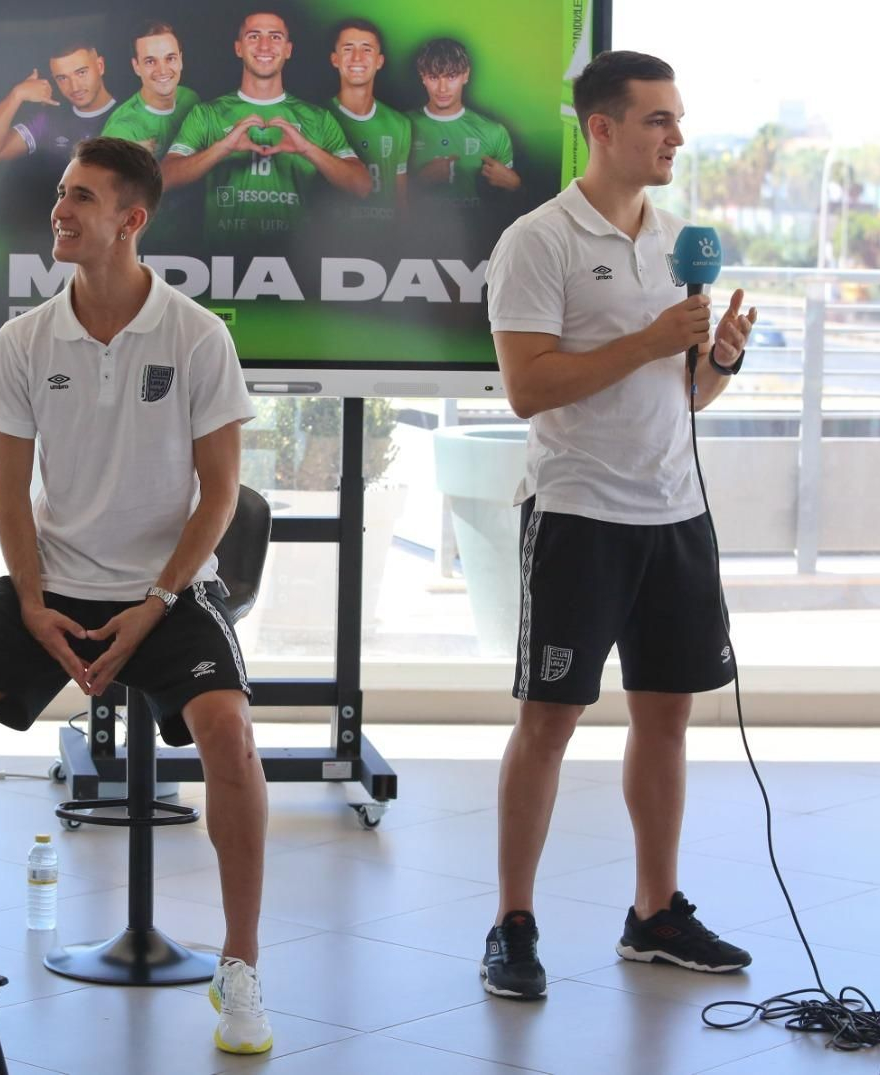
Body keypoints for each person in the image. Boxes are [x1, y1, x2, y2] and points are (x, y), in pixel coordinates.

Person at [0, 137, 275, 1055]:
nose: (60, 211)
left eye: (81, 198)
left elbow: (221, 497)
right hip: (50, 585)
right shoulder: (24, 339)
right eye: (59, 195)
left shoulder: (198, 336)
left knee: (232, 735)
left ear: (133, 219)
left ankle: (240, 965)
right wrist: (36, 604)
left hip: (165, 596)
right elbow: (8, 495)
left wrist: (159, 601)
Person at [481, 50, 758, 1001]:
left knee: (668, 717)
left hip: (675, 513)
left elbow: (684, 394)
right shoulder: (539, 240)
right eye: (657, 121)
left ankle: (655, 913)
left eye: (678, 120)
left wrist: (714, 361)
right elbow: (528, 387)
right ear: (601, 127)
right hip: (578, 515)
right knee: (549, 722)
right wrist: (648, 341)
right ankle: (513, 921)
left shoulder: (680, 240)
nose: (676, 137)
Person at [162, 11, 369, 241]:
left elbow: (362, 185)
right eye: (253, 36)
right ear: (238, 48)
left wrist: (307, 149)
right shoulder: (207, 114)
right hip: (224, 260)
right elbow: (164, 178)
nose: (264, 45)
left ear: (288, 50)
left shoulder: (317, 118)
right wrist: (222, 148)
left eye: (275, 37)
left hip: (293, 262)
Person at [409, 38, 520, 211]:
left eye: (451, 76)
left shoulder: (493, 132)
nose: (442, 88)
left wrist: (515, 185)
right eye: (433, 77)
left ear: (465, 75)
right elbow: (377, 198)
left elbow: (511, 209)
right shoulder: (401, 126)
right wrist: (420, 181)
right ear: (422, 77)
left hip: (476, 234)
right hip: (416, 233)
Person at [324, 18, 410, 224]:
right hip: (332, 241)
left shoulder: (399, 124)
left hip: (383, 239)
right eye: (348, 48)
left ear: (379, 61)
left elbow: (401, 201)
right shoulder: (318, 117)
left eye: (367, 49)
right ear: (335, 59)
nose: (357, 57)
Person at [0, 42, 117, 164]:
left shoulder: (130, 112)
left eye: (81, 73)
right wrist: (16, 96)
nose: (74, 87)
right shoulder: (49, 121)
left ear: (100, 66)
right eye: (62, 78)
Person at [102, 20, 200, 158]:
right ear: (136, 66)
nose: (162, 70)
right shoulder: (121, 129)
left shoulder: (190, 98)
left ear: (180, 60)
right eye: (150, 61)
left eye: (170, 58)